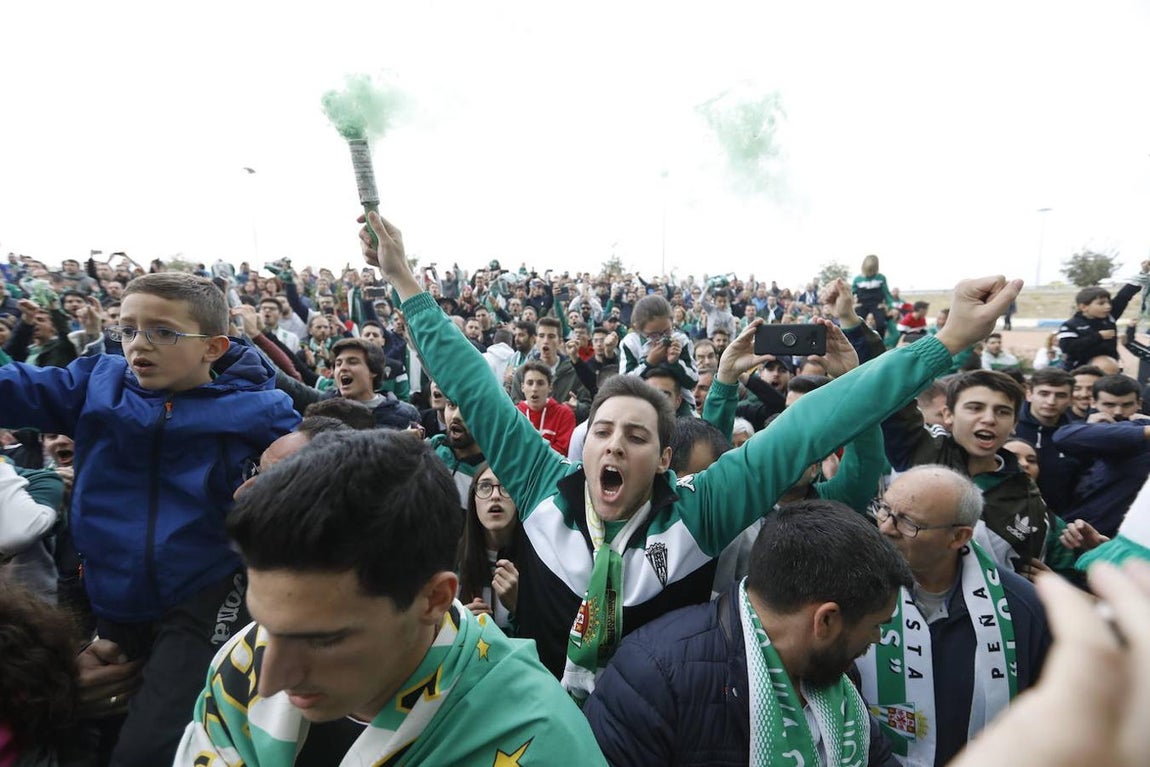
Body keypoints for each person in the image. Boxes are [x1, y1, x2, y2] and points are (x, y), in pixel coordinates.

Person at [358, 210, 1019, 699]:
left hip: (657, 732)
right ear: (586, 447)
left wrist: (944, 341)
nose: (616, 442)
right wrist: (402, 279)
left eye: (638, 435)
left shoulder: (701, 513)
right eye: (604, 430)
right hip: (538, 728)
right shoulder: (540, 486)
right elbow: (472, 383)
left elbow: (815, 423)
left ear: (665, 458)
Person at [0, 272, 299, 766]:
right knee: (83, 738)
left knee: (149, 750)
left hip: (204, 595)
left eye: (163, 331)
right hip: (112, 599)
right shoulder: (95, 384)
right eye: (128, 329)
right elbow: (16, 386)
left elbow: (325, 454)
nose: (140, 344)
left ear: (213, 346)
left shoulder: (261, 410)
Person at [176, 430, 605, 765]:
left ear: (434, 599)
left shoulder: (538, 739)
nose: (269, 679)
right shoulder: (239, 667)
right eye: (266, 624)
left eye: (323, 639)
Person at [584, 500, 909, 766]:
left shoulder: (838, 677)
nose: (878, 638)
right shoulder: (653, 679)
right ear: (825, 621)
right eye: (875, 625)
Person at [858, 465, 1051, 767]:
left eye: (908, 522)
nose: (885, 528)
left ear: (958, 536)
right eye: (883, 509)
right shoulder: (852, 590)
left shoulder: (1022, 609)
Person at [1053, 374, 1150, 538]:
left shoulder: (1141, 431)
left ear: (1139, 404)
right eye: (1109, 405)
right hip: (1076, 531)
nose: (1118, 412)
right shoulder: (1082, 430)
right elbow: (1062, 437)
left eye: (1127, 405)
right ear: (1094, 403)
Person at [457, 462, 521, 631]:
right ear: (473, 499)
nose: (495, 496)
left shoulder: (540, 560)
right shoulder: (450, 561)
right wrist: (458, 624)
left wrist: (519, 607)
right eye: (485, 486)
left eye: (505, 486)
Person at [619, 294, 699, 416]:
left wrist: (675, 363)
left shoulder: (681, 340)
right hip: (639, 403)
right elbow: (624, 384)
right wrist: (649, 363)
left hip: (677, 406)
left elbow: (692, 381)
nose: (661, 339)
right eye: (654, 335)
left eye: (667, 331)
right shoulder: (630, 343)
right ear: (638, 328)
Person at [1057, 281, 1141, 370]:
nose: (1108, 306)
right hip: (1080, 372)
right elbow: (1067, 348)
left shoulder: (1109, 316)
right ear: (1083, 307)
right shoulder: (1070, 325)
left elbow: (1123, 296)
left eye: (1108, 302)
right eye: (1101, 303)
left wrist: (1144, 274)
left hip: (1108, 371)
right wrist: (1098, 336)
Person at [517, 360, 576, 455]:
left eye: (540, 383)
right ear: (522, 387)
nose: (534, 389)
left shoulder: (565, 414)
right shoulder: (515, 414)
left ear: (550, 387)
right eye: (530, 383)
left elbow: (562, 452)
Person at [852, 254, 897, 338]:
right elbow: (851, 293)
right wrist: (852, 305)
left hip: (877, 305)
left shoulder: (881, 278)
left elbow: (886, 293)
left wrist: (891, 307)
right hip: (862, 304)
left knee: (881, 324)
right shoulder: (857, 279)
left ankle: (880, 343)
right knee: (857, 325)